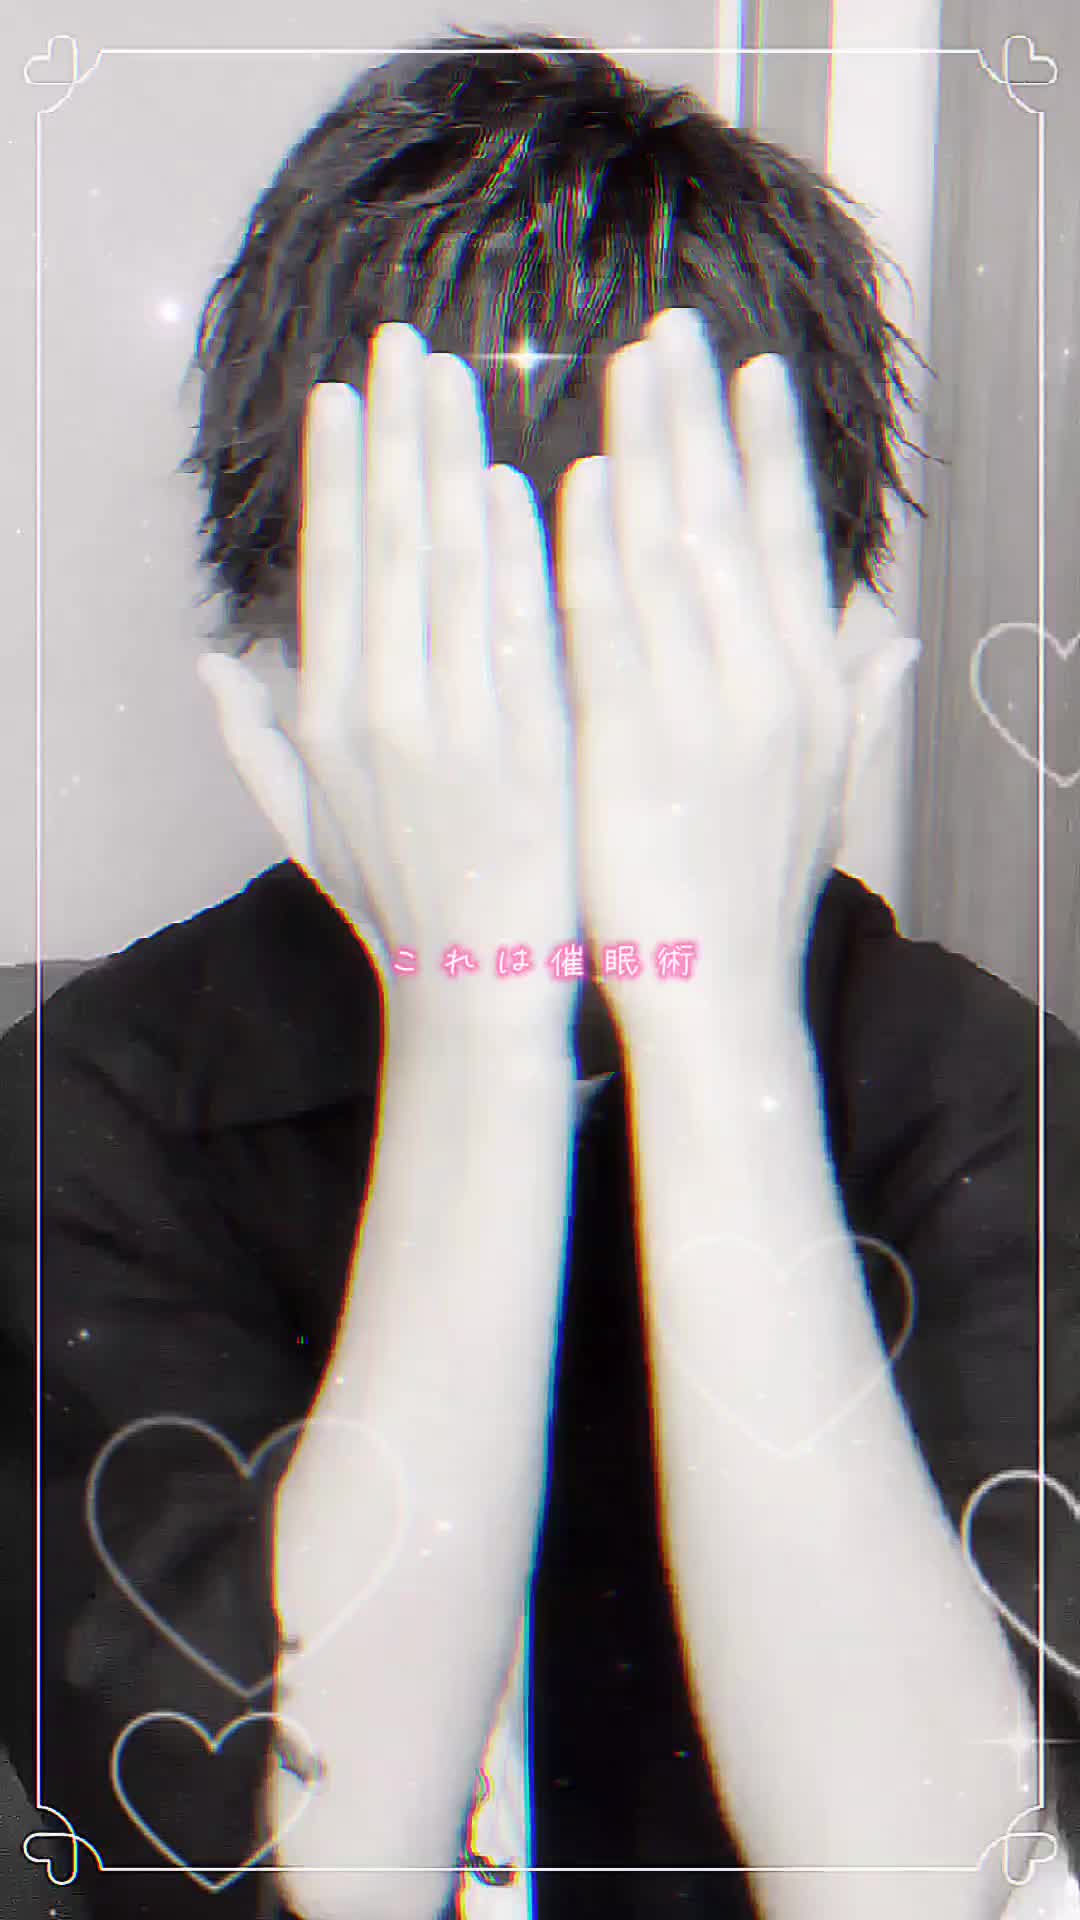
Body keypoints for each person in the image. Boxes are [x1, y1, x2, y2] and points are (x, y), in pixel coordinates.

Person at [1, 25, 1079, 1920]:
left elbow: (930, 1886)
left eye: (645, 627)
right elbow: (298, 1873)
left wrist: (714, 1016)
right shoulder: (84, 1121)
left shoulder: (987, 1102)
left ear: (818, 664)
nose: (532, 743)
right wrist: (477, 1012)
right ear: (277, 674)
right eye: (445, 636)